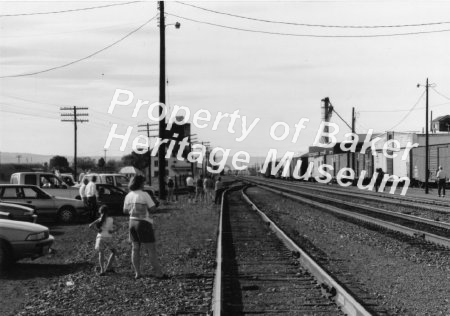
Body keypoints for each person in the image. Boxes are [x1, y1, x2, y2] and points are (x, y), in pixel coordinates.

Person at [123, 175, 167, 280]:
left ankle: (137, 273)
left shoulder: (128, 195)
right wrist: (156, 205)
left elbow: (125, 211)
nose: (144, 184)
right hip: (144, 223)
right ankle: (158, 273)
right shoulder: (144, 194)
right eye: (143, 182)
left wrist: (133, 209)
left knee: (135, 248)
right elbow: (152, 209)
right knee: (151, 249)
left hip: (132, 222)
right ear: (140, 183)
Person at [89, 205, 117, 276]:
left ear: (100, 212)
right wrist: (113, 231)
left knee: (101, 253)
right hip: (109, 237)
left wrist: (98, 230)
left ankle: (102, 270)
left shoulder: (99, 219)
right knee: (114, 251)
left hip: (100, 237)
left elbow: (90, 225)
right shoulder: (111, 219)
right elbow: (120, 225)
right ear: (108, 212)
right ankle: (108, 267)